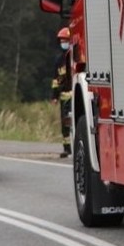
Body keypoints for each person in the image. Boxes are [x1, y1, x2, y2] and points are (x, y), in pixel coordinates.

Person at [50, 27, 72, 158]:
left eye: (66, 40)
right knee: (65, 124)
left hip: (75, 95)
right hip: (64, 97)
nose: (63, 43)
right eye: (62, 40)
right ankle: (67, 148)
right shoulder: (59, 60)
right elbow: (55, 80)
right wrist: (54, 96)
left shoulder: (75, 57)